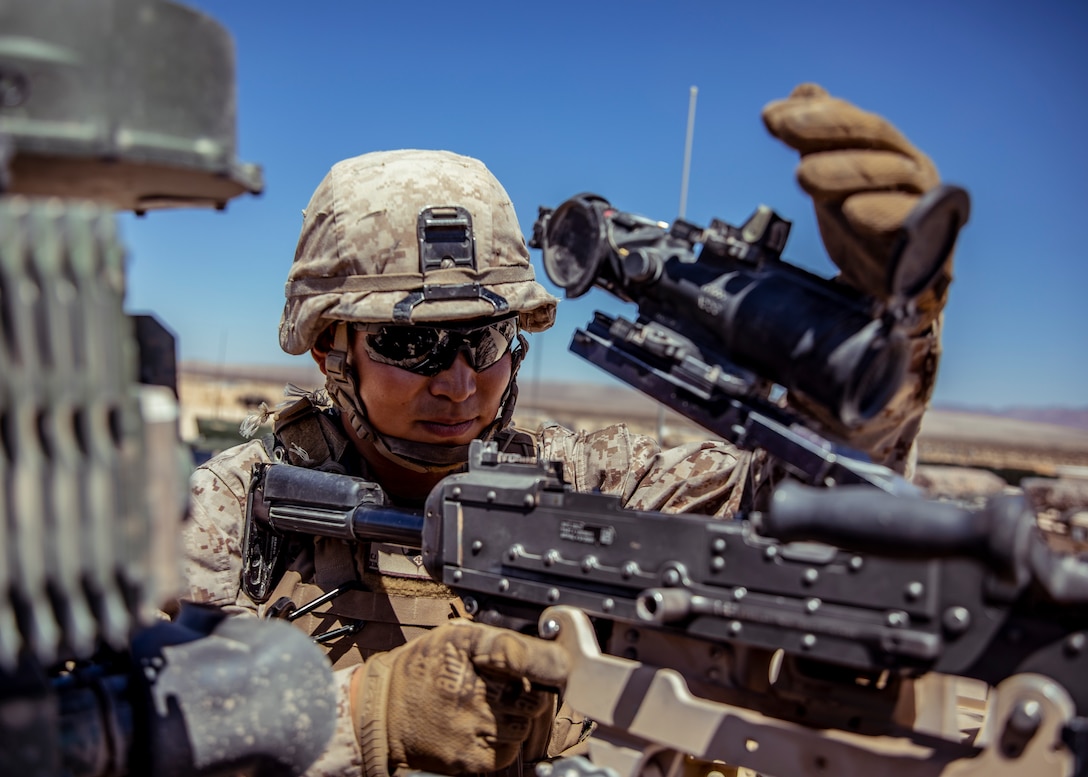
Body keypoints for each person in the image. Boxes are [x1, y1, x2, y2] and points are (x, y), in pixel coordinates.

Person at [179, 83, 956, 777]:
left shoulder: (581, 482)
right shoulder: (235, 512)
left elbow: (797, 519)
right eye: (411, 343)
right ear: (328, 347)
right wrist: (366, 716)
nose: (457, 382)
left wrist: (887, 347)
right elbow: (155, 731)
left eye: (484, 339)